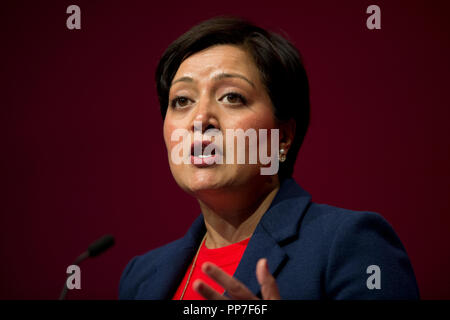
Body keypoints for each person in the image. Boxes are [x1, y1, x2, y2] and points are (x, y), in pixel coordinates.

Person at [119, 16, 419, 300]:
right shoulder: (141, 276)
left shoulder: (352, 245)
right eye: (182, 100)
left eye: (232, 97)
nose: (200, 119)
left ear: (283, 137)